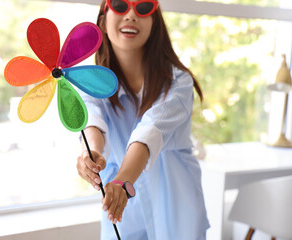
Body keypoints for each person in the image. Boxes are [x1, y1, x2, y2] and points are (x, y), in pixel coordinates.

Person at [76, 0, 210, 239]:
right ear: (102, 22)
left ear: (154, 23)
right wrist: (92, 153)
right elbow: (91, 119)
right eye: (119, 4)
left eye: (144, 6)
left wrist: (122, 183)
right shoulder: (91, 83)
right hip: (122, 214)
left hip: (177, 208)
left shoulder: (178, 83)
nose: (130, 14)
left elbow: (150, 131)